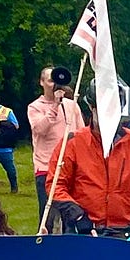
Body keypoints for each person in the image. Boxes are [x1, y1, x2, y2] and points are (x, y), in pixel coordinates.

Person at [48, 101, 130, 230]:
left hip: (125, 228)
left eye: (113, 108)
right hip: (84, 229)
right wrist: (76, 214)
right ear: (91, 108)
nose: (108, 114)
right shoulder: (72, 142)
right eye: (102, 108)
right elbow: (55, 185)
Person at [28, 67, 82, 217]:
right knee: (48, 216)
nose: (54, 84)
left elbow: (81, 135)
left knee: (71, 215)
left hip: (70, 168)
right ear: (42, 82)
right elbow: (40, 129)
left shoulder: (72, 105)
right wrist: (55, 106)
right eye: (51, 80)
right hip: (46, 168)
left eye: (56, 80)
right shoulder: (34, 107)